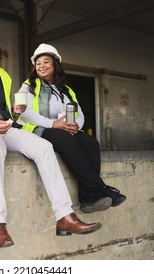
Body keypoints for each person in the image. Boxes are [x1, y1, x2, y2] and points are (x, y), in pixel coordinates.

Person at [0, 30, 101, 248]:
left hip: (2, 126)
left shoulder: (4, 75)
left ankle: (65, 216)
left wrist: (15, 112)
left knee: (44, 147)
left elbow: (4, 112)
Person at [17, 43, 127, 214]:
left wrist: (75, 126)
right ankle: (99, 188)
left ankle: (88, 198)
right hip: (38, 130)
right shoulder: (29, 85)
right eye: (38, 63)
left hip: (61, 130)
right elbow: (24, 113)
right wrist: (53, 124)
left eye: (46, 62)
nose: (41, 66)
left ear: (55, 64)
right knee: (66, 140)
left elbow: (78, 113)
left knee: (90, 143)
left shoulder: (66, 90)